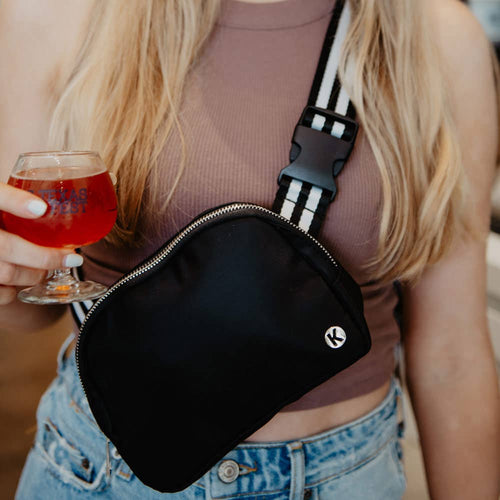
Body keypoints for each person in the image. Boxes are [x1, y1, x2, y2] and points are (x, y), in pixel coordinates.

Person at [1, 0, 499, 498]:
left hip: (344, 475)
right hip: (102, 472)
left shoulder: (439, 38)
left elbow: (451, 354)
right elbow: (33, 305)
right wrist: (9, 281)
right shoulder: (55, 12)